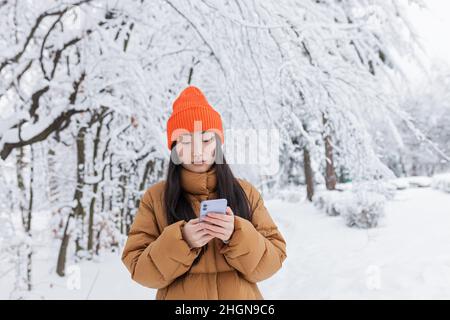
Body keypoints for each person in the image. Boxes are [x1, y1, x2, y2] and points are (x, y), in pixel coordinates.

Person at [121, 85, 287, 299]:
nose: (198, 151)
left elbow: (274, 260)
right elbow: (139, 269)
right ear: (174, 148)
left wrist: (237, 234)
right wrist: (182, 241)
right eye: (186, 141)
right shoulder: (155, 198)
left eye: (207, 140)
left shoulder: (246, 192)